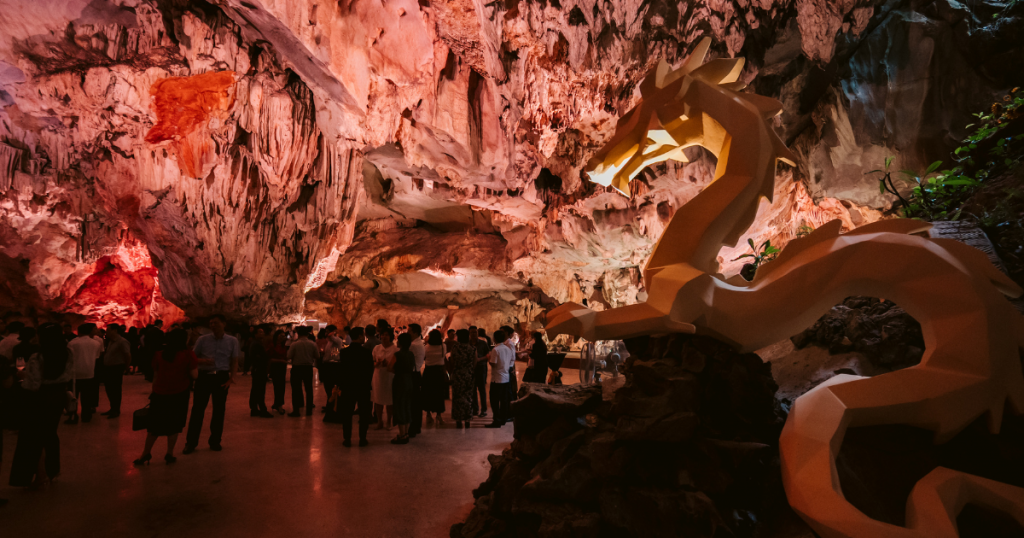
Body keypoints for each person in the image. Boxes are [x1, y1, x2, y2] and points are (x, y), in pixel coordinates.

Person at [9, 323, 73, 488]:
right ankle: (52, 471)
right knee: (50, 434)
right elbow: (67, 374)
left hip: (39, 399)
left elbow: (33, 384)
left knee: (33, 437)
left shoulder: (37, 356)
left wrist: (23, 375)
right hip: (58, 397)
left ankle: (41, 475)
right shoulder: (67, 352)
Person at [135, 329, 199, 465]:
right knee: (174, 425)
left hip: (160, 394)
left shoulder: (159, 354)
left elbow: (156, 376)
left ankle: (145, 453)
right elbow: (195, 375)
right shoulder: (188, 355)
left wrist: (155, 390)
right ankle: (169, 453)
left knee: (154, 425)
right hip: (179, 394)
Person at [183, 314, 239, 454]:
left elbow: (235, 360)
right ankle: (191, 443)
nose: (213, 325)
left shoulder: (232, 341)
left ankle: (215, 441)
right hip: (204, 377)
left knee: (219, 410)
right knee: (198, 410)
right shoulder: (203, 340)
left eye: (216, 323)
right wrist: (204, 361)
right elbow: (193, 357)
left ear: (224, 324)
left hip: (221, 377)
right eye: (211, 323)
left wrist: (231, 378)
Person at [333, 327, 374, 446]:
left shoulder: (344, 352)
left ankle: (347, 438)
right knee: (364, 414)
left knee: (347, 413)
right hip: (363, 387)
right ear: (360, 336)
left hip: (348, 386)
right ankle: (362, 438)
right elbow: (369, 371)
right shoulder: (366, 353)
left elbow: (342, 370)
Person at [66, 323, 102, 424]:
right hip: (89, 373)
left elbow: (69, 359)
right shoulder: (96, 343)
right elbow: (96, 358)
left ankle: (73, 416)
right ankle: (86, 416)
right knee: (87, 397)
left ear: (79, 332)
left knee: (73, 397)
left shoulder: (72, 343)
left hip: (74, 374)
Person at [287, 326, 319, 417]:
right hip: (308, 368)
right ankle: (309, 410)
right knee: (309, 389)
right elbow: (317, 356)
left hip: (297, 368)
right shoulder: (312, 344)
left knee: (296, 389)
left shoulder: (295, 344)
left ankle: (296, 410)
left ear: (299, 334)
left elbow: (289, 356)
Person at [485, 330, 514, 428]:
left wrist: (488, 358)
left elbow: (493, 363)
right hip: (506, 378)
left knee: (494, 401)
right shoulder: (507, 348)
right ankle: (503, 419)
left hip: (497, 379)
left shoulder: (495, 350)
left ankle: (496, 420)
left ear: (494, 338)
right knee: (504, 400)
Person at [390, 333, 415, 444]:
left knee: (399, 406)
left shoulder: (397, 354)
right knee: (407, 405)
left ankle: (401, 434)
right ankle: (406, 433)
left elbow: (390, 367)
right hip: (409, 380)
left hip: (399, 380)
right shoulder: (411, 354)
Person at [101, 324, 132, 418]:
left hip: (116, 368)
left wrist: (127, 368)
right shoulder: (111, 341)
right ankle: (112, 408)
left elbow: (127, 355)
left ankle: (116, 410)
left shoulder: (122, 342)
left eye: (108, 330)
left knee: (115, 389)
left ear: (114, 330)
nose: (106, 332)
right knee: (109, 389)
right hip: (109, 368)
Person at [449, 329, 476, 428]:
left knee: (457, 397)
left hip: (457, 374)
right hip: (468, 375)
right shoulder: (472, 348)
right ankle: (467, 419)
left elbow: (452, 361)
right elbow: (474, 363)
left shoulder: (455, 347)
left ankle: (458, 420)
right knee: (468, 397)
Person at [371, 327, 397, 429]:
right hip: (378, 376)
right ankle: (379, 421)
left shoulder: (395, 349)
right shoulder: (377, 348)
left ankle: (389, 421)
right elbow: (372, 361)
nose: (384, 337)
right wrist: (377, 363)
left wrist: (389, 364)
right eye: (383, 335)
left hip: (390, 377)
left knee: (390, 401)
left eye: (386, 335)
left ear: (391, 336)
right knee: (378, 400)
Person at [421, 329, 448, 425]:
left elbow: (424, 358)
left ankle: (428, 415)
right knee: (439, 394)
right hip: (439, 372)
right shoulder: (443, 346)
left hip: (429, 372)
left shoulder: (426, 347)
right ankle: (439, 416)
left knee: (428, 394)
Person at [248, 326, 273, 418]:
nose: (262, 334)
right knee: (260, 390)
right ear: (255, 334)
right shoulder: (257, 344)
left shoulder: (256, 343)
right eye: (260, 332)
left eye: (262, 332)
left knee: (255, 389)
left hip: (257, 369)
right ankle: (262, 409)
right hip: (259, 369)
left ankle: (254, 409)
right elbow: (260, 357)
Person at [318, 325, 344, 413]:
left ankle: (332, 406)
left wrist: (332, 333)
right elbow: (333, 352)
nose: (326, 333)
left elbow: (335, 353)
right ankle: (329, 404)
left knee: (331, 387)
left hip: (333, 366)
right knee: (327, 387)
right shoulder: (329, 342)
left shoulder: (337, 340)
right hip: (327, 365)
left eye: (328, 331)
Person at [407, 324, 425, 435]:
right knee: (416, 403)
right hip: (417, 374)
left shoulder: (413, 345)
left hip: (413, 374)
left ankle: (413, 427)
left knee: (413, 403)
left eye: (409, 331)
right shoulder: (419, 343)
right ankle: (416, 426)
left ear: (415, 332)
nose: (408, 333)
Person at [470, 327, 489, 418]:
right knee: (473, 390)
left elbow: (488, 355)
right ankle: (475, 409)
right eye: (472, 332)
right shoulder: (468, 344)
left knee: (482, 390)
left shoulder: (483, 343)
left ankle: (484, 409)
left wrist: (479, 359)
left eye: (475, 332)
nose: (474, 334)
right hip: (471, 370)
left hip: (481, 368)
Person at [268, 330, 289, 414]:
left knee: (281, 387)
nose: (282, 337)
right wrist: (281, 361)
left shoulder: (283, 346)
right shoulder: (272, 345)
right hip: (276, 367)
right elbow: (269, 358)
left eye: (284, 336)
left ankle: (277, 403)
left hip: (282, 368)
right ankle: (279, 405)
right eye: (281, 335)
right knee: (278, 387)